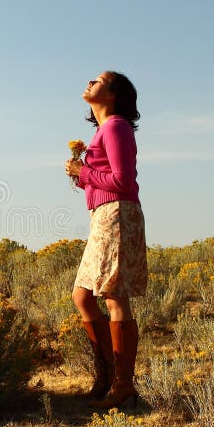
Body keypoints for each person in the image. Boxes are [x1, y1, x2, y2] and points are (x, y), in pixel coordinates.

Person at [65, 71, 147, 408]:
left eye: (98, 80)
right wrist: (83, 178)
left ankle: (121, 384)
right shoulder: (103, 131)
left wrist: (83, 173)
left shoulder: (115, 127)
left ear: (112, 94)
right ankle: (109, 375)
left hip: (117, 215)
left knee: (114, 297)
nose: (89, 81)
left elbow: (123, 181)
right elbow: (107, 180)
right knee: (83, 296)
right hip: (103, 216)